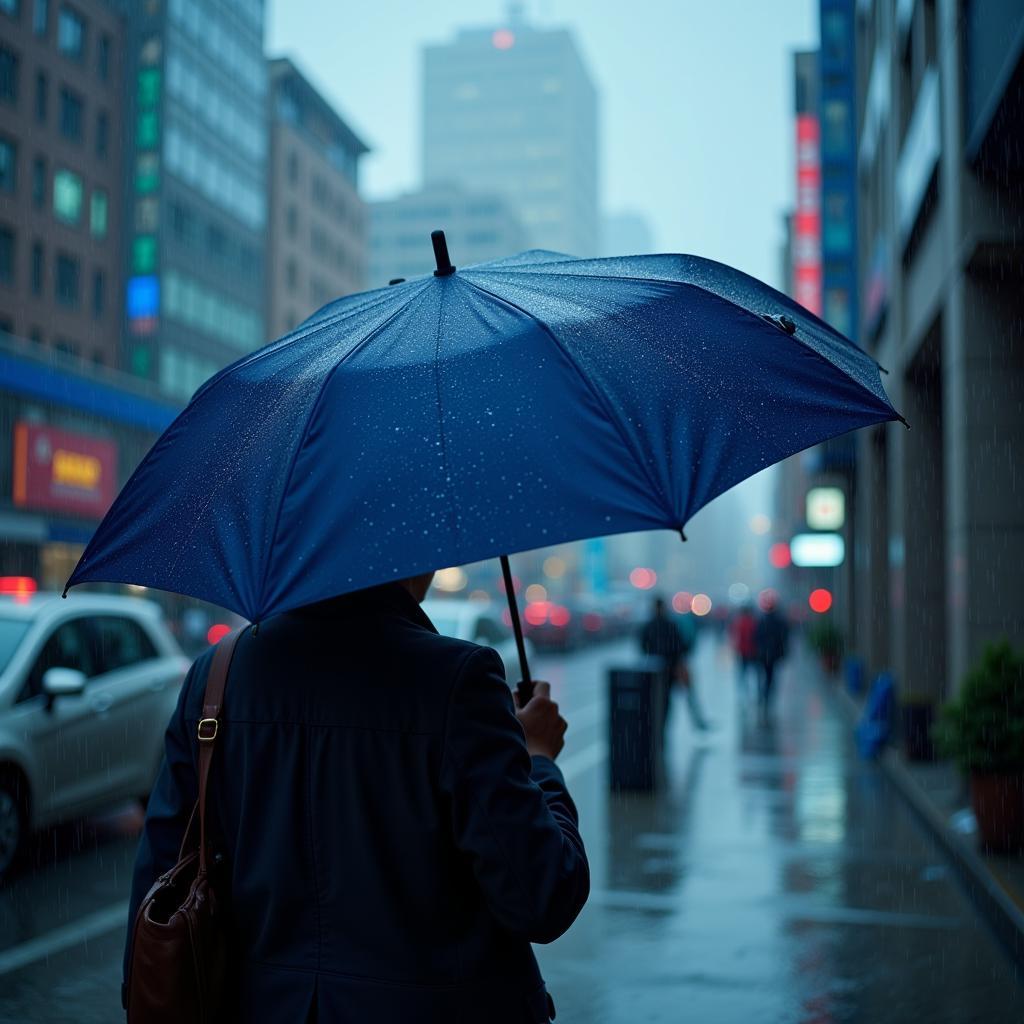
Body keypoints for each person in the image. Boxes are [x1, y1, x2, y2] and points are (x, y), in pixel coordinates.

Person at [125, 574, 588, 1023]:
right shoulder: (456, 680)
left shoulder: (216, 677)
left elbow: (161, 871)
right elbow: (542, 897)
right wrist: (540, 759)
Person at [639, 595, 709, 731]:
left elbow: (643, 647)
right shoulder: (670, 625)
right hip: (671, 668)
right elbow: (680, 645)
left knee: (657, 700)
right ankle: (666, 725)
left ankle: (657, 726)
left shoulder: (649, 626)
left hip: (655, 670)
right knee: (671, 700)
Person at [755, 596, 790, 711]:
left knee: (763, 675)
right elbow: (784, 637)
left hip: (764, 654)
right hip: (772, 654)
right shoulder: (778, 621)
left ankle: (764, 695)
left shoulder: (762, 620)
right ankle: (766, 695)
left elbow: (756, 637)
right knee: (770, 676)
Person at [729, 603, 759, 697]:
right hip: (752, 651)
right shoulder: (754, 622)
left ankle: (743, 690)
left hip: (742, 651)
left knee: (742, 671)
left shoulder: (739, 622)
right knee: (754, 672)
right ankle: (753, 691)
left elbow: (735, 636)